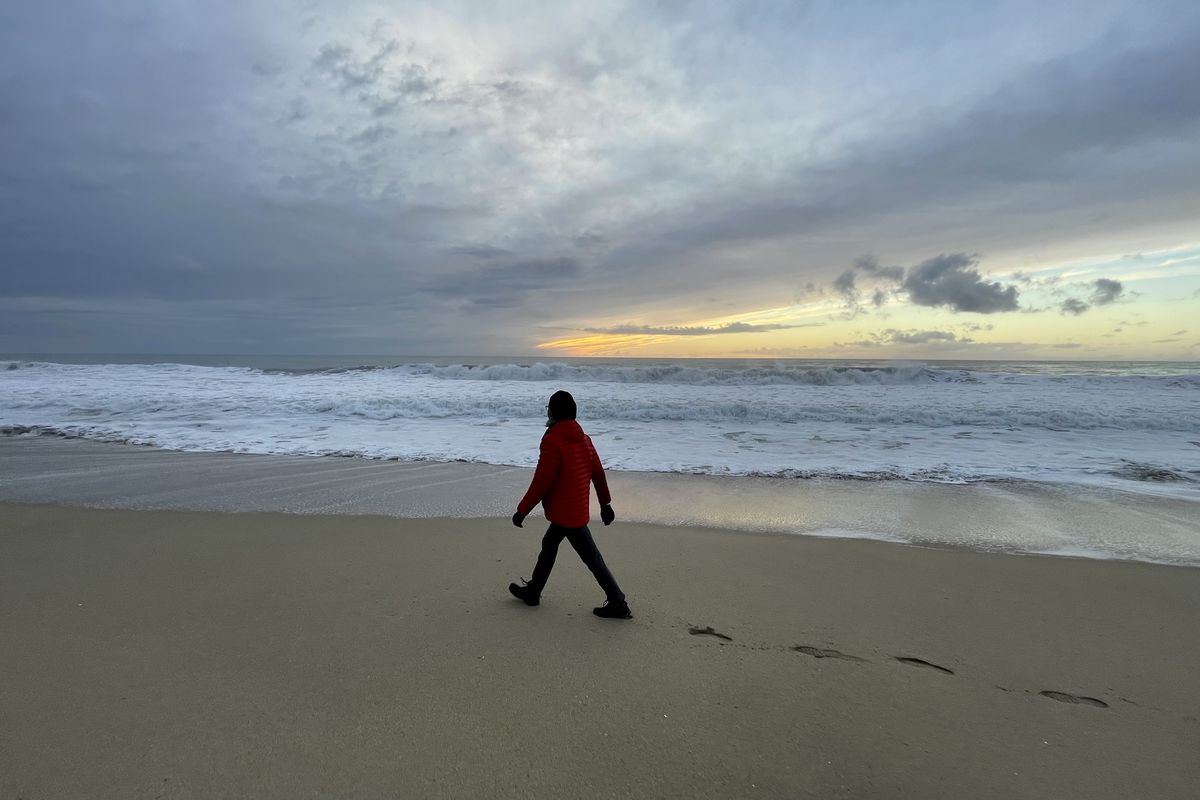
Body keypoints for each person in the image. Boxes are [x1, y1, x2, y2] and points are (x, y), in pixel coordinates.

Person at [508, 390, 632, 620]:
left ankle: (618, 601)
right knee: (551, 544)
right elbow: (598, 473)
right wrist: (605, 504)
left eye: (548, 408)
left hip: (566, 514)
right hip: (575, 510)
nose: (547, 411)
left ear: (553, 412)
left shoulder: (553, 441)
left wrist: (521, 511)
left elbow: (541, 482)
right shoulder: (584, 439)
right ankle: (534, 591)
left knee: (591, 557)